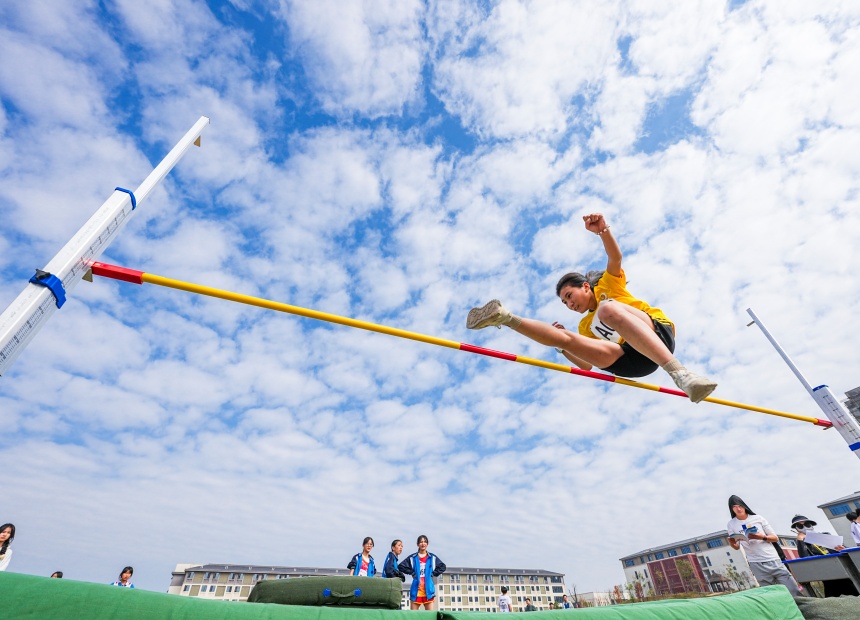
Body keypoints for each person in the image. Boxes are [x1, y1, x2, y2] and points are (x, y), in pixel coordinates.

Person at [466, 213, 717, 403]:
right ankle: (505, 317)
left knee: (606, 310)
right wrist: (563, 345)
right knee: (567, 339)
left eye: (569, 295)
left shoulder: (608, 285)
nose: (569, 304)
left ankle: (681, 374)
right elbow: (586, 365)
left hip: (657, 338)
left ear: (585, 287)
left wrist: (603, 231)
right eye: (564, 302)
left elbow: (615, 258)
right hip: (633, 363)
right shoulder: (585, 325)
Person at [726, 496, 801, 596]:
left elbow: (775, 538)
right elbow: (737, 547)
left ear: (744, 506)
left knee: (793, 589)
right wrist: (732, 543)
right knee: (770, 594)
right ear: (731, 509)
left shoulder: (758, 518)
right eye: (735, 507)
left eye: (740, 506)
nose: (738, 509)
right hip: (755, 562)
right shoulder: (731, 524)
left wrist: (762, 537)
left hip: (772, 559)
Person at [790, 514, 852, 597]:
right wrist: (800, 540)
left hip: (842, 571)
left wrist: (842, 549)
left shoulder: (825, 535)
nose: (804, 527)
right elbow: (804, 558)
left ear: (811, 525)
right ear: (797, 529)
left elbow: (847, 551)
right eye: (800, 526)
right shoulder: (804, 543)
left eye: (807, 524)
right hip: (827, 575)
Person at [398, 534, 446, 610]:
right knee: (413, 616)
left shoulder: (432, 557)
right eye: (421, 542)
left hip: (428, 590)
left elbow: (443, 566)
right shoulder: (412, 557)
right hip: (416, 590)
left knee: (430, 616)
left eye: (425, 542)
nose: (423, 544)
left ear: (427, 544)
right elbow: (401, 566)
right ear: (418, 544)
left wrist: (433, 574)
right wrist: (412, 572)